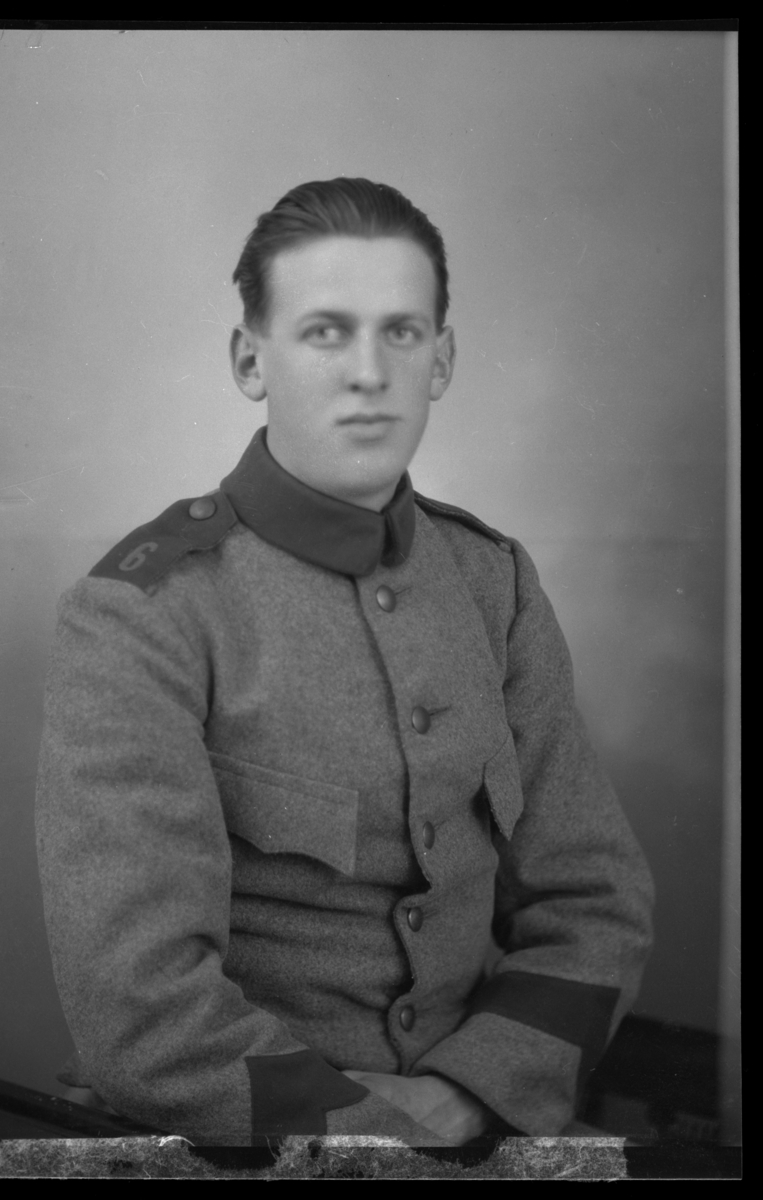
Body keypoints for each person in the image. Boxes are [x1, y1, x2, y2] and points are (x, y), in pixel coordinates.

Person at [35, 178, 654, 1148]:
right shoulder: (144, 611)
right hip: (240, 1147)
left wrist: (468, 1095)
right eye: (325, 332)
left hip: (477, 1122)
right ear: (251, 360)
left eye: (400, 333)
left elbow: (593, 900)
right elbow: (141, 1011)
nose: (369, 373)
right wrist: (383, 1136)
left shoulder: (492, 582)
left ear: (441, 360)